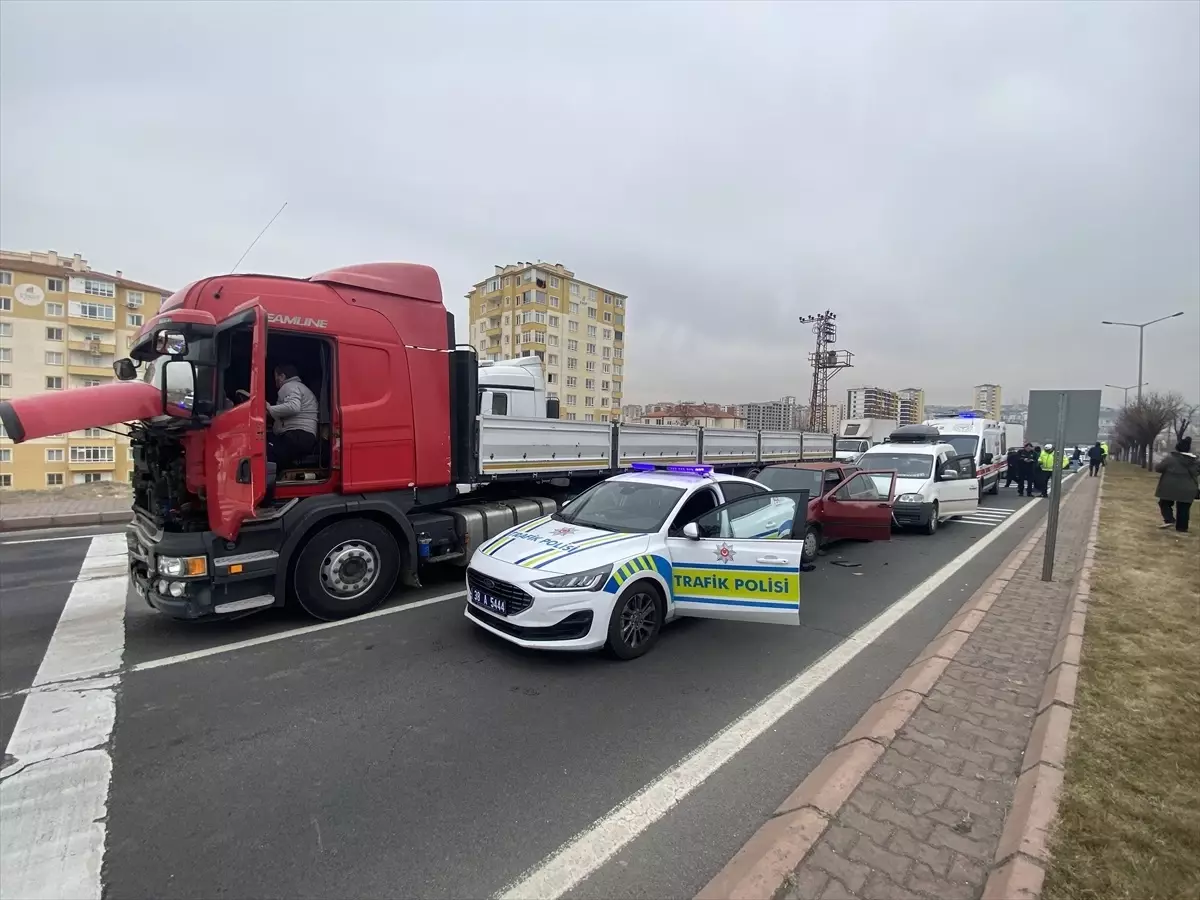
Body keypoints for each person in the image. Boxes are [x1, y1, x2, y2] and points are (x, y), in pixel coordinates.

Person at [267, 364, 319, 469]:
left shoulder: (289, 386)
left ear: (282, 376)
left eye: (276, 376)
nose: (275, 380)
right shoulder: (300, 387)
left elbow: (294, 407)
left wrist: (269, 409)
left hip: (297, 436)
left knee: (265, 451)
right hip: (307, 437)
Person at [1154, 437, 1199, 534]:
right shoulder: (1195, 461)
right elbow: (1197, 472)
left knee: (1164, 503)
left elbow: (1158, 468)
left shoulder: (1170, 458)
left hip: (1170, 487)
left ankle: (1169, 519)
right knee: (1184, 508)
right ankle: (1182, 528)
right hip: (1189, 488)